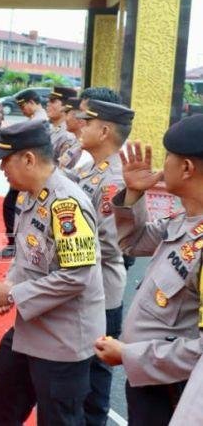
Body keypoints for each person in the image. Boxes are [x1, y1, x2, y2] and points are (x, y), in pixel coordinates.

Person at [0, 120, 104, 426]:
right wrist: (10, 284)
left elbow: (77, 277)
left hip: (62, 338)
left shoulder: (67, 205)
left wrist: (11, 293)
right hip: (30, 326)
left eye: (5, 162)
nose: (2, 171)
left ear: (29, 159)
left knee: (58, 418)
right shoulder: (32, 194)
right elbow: (29, 255)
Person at [94, 117, 203, 426]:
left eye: (168, 157)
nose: (161, 164)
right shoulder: (186, 218)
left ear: (186, 168)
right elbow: (133, 242)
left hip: (174, 388)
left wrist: (130, 355)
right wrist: (133, 194)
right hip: (147, 378)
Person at [64, 100, 133, 426]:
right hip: (87, 285)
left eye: (87, 121)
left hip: (100, 289)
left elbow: (105, 244)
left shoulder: (113, 178)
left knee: (94, 372)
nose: (80, 125)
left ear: (104, 130)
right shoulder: (92, 168)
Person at [0, 89, 48, 259]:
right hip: (28, 169)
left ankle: (15, 244)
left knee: (12, 206)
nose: (22, 109)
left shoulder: (40, 119)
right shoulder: (36, 118)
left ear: (32, 102)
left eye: (23, 105)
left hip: (30, 170)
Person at [46, 86, 78, 162]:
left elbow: (63, 167)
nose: (48, 104)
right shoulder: (53, 128)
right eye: (48, 101)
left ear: (66, 105)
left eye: (52, 101)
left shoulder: (68, 135)